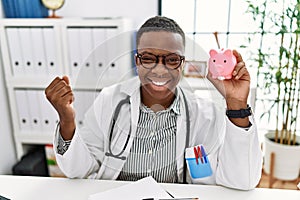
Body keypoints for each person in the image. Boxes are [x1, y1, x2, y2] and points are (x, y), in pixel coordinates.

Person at [45, 16, 262, 190]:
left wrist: (236, 104)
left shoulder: (204, 115)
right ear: (136, 60)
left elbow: (242, 182)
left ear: (182, 64)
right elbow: (78, 170)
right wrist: (67, 119)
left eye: (172, 59)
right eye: (148, 58)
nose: (160, 69)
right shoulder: (110, 100)